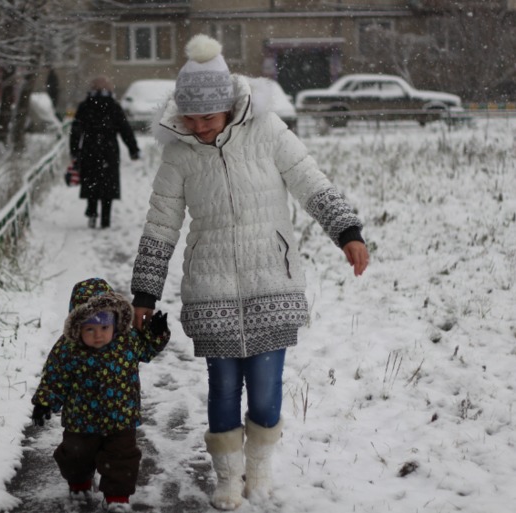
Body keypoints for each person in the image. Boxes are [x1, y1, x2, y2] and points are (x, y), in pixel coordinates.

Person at [129, 34, 370, 511]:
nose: (198, 128)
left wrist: (347, 231)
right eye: (190, 118)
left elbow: (309, 180)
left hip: (271, 281)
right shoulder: (178, 154)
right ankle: (227, 477)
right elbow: (161, 224)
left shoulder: (268, 131)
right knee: (222, 389)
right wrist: (144, 292)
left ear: (230, 108)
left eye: (207, 118)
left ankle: (258, 469)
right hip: (211, 288)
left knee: (264, 390)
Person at [31, 277, 170, 512]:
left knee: (122, 460)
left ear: (114, 322)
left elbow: (148, 350)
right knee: (75, 457)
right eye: (90, 329)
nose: (98, 335)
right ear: (77, 327)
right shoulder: (67, 348)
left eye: (104, 327)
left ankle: (117, 499)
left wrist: (157, 333)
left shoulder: (127, 340)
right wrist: (45, 402)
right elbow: (55, 378)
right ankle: (80, 483)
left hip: (121, 419)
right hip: (81, 421)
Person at [70, 76, 140, 229]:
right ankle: (106, 219)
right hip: (109, 151)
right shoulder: (114, 107)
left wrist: (74, 151)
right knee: (108, 185)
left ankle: (92, 212)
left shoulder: (85, 106)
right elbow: (125, 129)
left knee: (91, 182)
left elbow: (75, 131)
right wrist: (133, 149)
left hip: (89, 150)